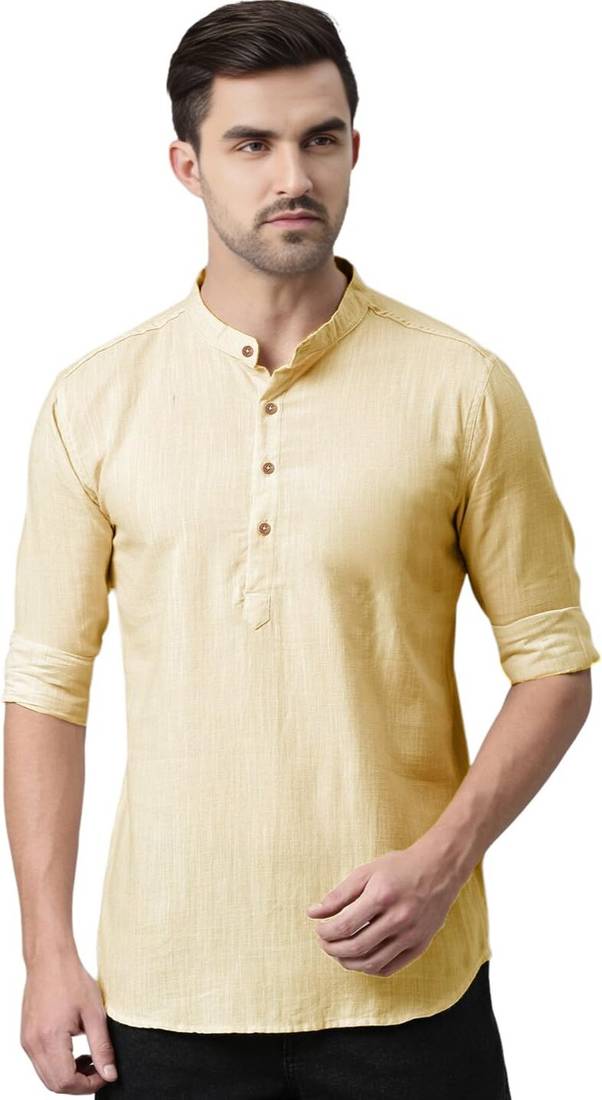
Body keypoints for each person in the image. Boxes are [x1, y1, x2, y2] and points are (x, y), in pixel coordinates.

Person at [3, 1, 598, 1096]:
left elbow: (554, 660)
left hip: (409, 985)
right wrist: (46, 952)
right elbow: (46, 686)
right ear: (187, 166)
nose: (294, 175)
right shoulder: (93, 403)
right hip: (166, 990)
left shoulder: (461, 388)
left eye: (320, 139)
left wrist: (446, 858)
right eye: (252, 144)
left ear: (354, 149)